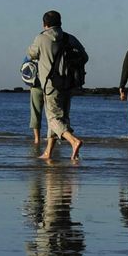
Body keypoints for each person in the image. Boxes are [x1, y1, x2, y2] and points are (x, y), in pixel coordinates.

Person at [26, 9, 85, 162]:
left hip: (50, 84)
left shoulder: (41, 39)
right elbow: (85, 56)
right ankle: (48, 152)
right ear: (60, 23)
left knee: (53, 118)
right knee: (62, 117)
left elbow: (31, 54)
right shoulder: (69, 38)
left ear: (44, 24)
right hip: (68, 83)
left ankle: (73, 141)